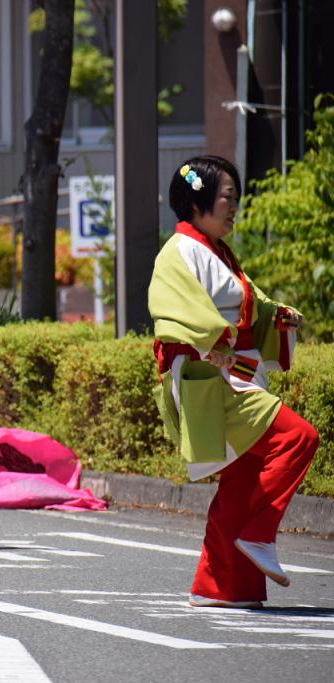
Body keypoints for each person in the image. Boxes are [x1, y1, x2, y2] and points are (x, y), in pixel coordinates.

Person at [148, 154, 319, 609]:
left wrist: (275, 316)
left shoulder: (214, 251)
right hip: (212, 376)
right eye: (227, 197)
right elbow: (173, 312)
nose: (234, 206)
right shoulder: (179, 252)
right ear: (197, 200)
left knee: (243, 478)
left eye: (235, 198)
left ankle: (220, 586)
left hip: (229, 373)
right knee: (299, 437)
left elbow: (250, 304)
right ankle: (259, 532)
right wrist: (213, 342)